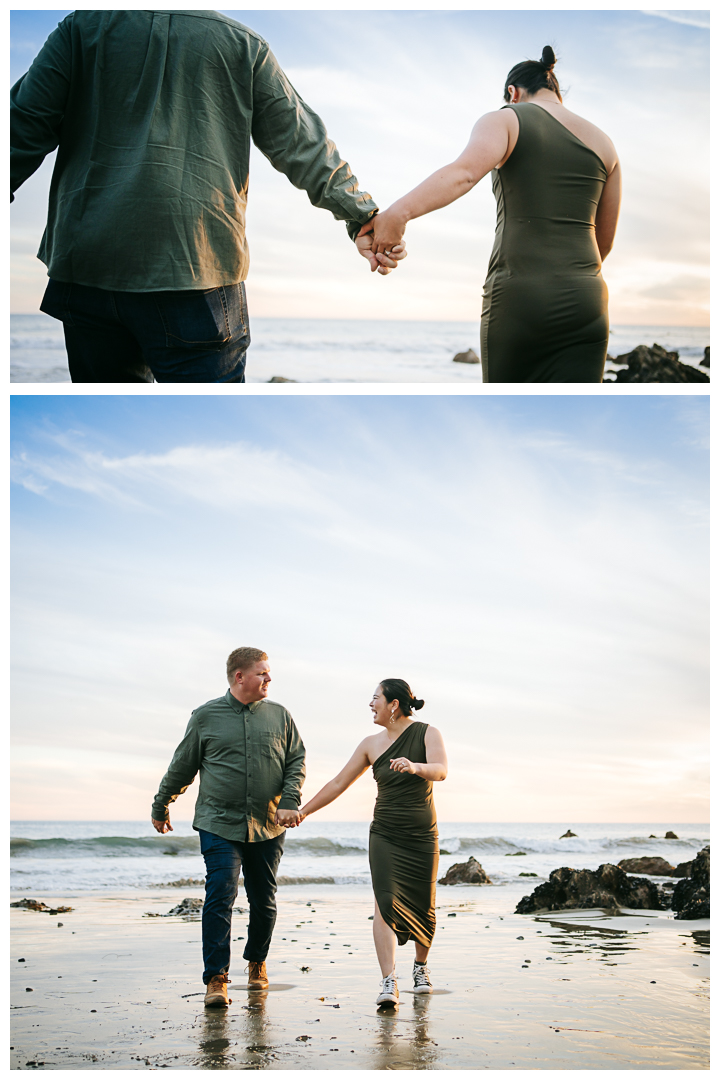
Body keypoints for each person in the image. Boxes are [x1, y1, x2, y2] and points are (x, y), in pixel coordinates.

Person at [10, 10, 405, 383]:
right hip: (197, 266)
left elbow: (20, 127)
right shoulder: (243, 45)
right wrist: (361, 215)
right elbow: (302, 146)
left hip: (89, 264)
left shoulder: (82, 28)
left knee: (105, 414)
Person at [363, 46, 621, 383]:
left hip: (521, 294)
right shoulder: (606, 145)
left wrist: (397, 215)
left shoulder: (506, 118)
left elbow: (465, 173)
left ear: (512, 93)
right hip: (587, 299)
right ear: (557, 91)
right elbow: (605, 242)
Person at [151, 647, 305, 1008]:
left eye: (269, 673)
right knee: (221, 893)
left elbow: (296, 759)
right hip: (218, 822)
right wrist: (162, 803)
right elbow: (182, 764)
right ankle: (216, 978)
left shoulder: (280, 716)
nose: (269, 679)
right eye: (262, 673)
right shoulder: (205, 716)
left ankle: (256, 963)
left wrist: (290, 799)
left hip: (268, 824)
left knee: (263, 900)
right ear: (240, 676)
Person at [298, 679, 447, 1006]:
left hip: (421, 833)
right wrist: (304, 811)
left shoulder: (427, 733)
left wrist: (414, 766)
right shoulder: (370, 744)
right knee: (384, 900)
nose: (371, 704)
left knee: (425, 901)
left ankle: (420, 969)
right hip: (385, 834)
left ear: (393, 704)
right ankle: (388, 981)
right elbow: (338, 782)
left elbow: (440, 770)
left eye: (375, 698)